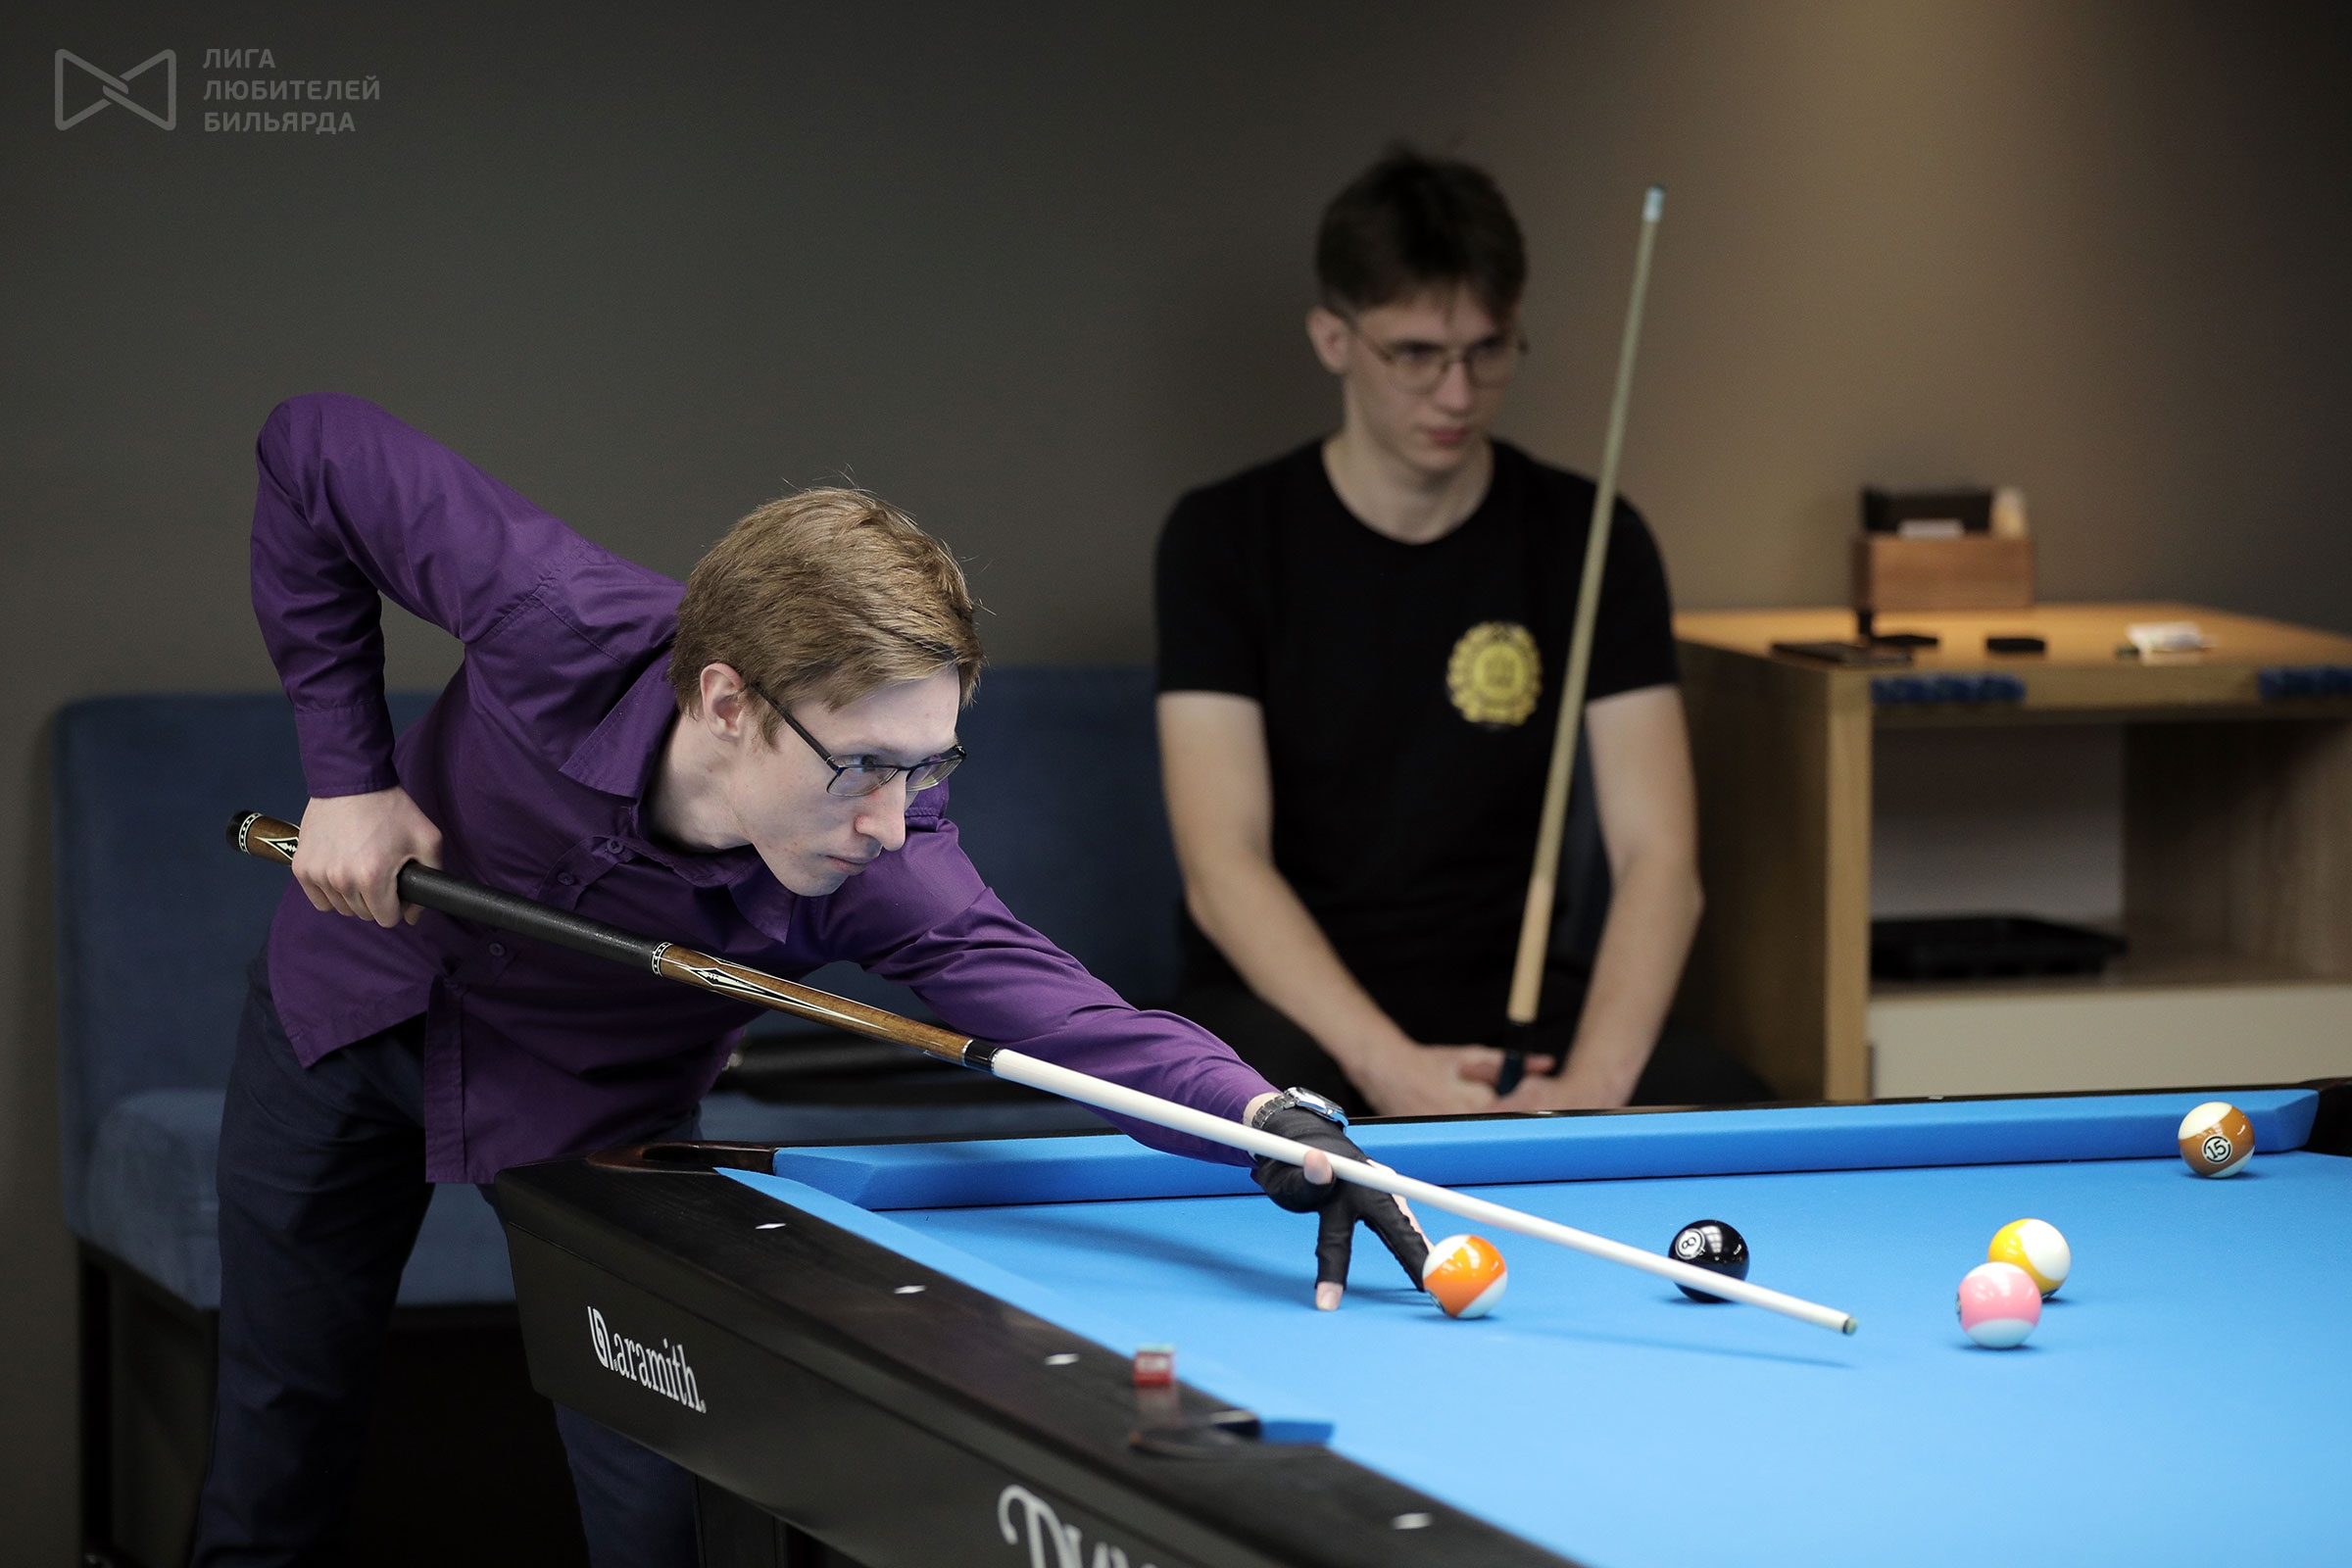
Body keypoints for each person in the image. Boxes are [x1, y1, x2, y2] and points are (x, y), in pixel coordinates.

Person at [198, 393, 1427, 1568]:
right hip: (351, 1002)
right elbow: (312, 444)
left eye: (929, 766)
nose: (893, 822)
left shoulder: (883, 866)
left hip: (594, 1113)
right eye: (864, 766)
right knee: (275, 1443)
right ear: (728, 700)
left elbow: (1067, 1017)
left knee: (663, 1515)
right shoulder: (556, 617)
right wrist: (348, 776)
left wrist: (1267, 1119)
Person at [1155, 147, 1770, 1121]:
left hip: (1514, 1007)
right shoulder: (1224, 537)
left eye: (1488, 350)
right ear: (1333, 338)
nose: (1456, 393)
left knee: (1731, 1108)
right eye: (1416, 355)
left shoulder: (1590, 535)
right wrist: (1393, 1070)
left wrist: (1593, 1092)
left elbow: (1658, 859)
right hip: (1285, 1009)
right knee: (1278, 1124)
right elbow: (1221, 868)